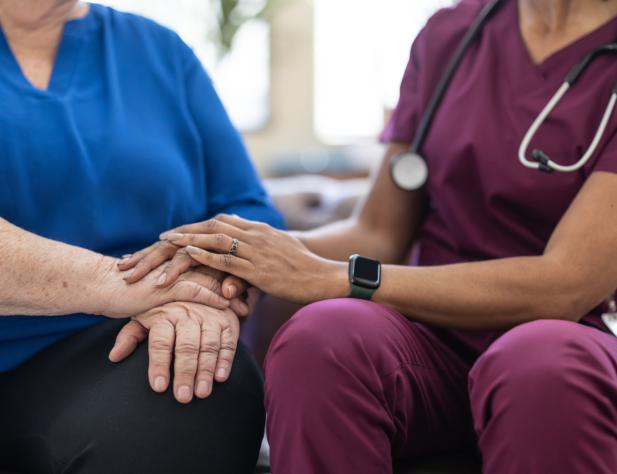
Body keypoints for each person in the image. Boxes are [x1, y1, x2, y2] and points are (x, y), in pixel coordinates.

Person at [129, 0, 617, 472]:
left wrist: (336, 277)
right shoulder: (452, 34)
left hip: (565, 341)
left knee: (538, 367)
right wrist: (238, 255)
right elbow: (379, 232)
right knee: (321, 338)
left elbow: (564, 285)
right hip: (431, 340)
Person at [0, 0, 284, 473]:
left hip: (122, 347)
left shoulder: (161, 51)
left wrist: (207, 283)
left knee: (198, 383)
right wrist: (135, 285)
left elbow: (248, 208)